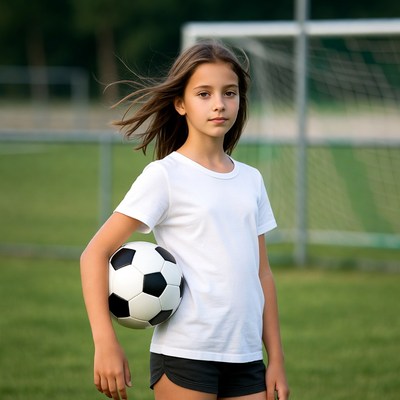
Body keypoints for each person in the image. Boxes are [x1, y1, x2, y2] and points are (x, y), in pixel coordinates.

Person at [80, 40, 290, 400]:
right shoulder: (165, 176)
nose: (220, 104)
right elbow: (94, 254)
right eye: (204, 94)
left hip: (246, 357)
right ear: (181, 103)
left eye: (230, 93)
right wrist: (105, 342)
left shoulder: (251, 179)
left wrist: (276, 359)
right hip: (185, 354)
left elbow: (262, 273)